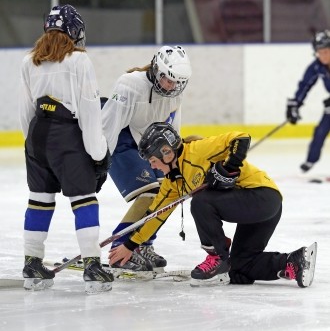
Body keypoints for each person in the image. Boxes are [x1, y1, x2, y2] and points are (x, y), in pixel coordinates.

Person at [109, 122, 317, 288]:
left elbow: (240, 137)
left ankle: (216, 257)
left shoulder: (198, 151)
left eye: (153, 160)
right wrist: (130, 245)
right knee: (240, 267)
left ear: (167, 152)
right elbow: (156, 215)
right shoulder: (173, 183)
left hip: (263, 197)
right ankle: (294, 262)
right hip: (254, 208)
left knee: (201, 202)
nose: (151, 166)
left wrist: (229, 168)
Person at [19, 4, 113, 294]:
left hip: (37, 136)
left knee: (40, 199)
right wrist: (98, 155)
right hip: (66, 137)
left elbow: (26, 112)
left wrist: (33, 150)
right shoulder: (78, 61)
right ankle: (93, 266)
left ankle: (32, 263)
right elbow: (89, 111)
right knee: (84, 199)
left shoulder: (29, 61)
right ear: (75, 32)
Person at [102, 45, 192, 272]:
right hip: (121, 139)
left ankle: (142, 243)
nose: (172, 87)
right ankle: (119, 248)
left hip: (148, 142)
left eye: (177, 83)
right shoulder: (129, 84)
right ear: (155, 69)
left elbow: (173, 129)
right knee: (148, 191)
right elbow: (109, 125)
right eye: (167, 80)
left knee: (167, 192)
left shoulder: (175, 93)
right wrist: (99, 160)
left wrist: (176, 162)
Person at [286, 29, 330, 173]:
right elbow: (305, 85)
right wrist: (295, 104)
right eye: (319, 52)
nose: (323, 55)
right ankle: (311, 160)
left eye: (326, 51)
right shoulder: (317, 66)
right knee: (320, 131)